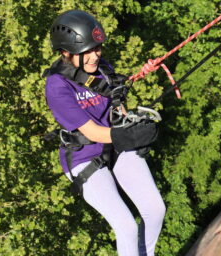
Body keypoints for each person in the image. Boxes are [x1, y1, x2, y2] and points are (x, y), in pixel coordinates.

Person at [44, 10, 166, 256]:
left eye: (97, 48)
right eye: (86, 52)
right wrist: (129, 136)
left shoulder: (103, 70)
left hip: (115, 145)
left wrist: (130, 122)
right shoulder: (57, 87)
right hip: (84, 157)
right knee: (126, 226)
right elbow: (92, 132)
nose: (94, 56)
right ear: (65, 53)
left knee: (155, 209)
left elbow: (117, 109)